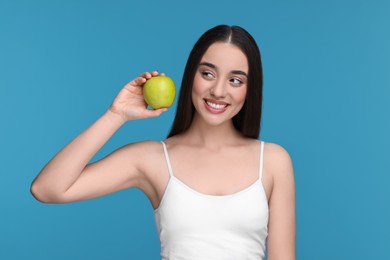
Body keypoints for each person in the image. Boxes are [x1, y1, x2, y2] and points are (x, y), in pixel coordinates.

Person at [31, 25, 296, 260]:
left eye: (235, 80)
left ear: (250, 89)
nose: (218, 91)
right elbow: (48, 189)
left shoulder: (273, 161)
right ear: (190, 75)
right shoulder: (153, 159)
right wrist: (116, 115)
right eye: (207, 74)